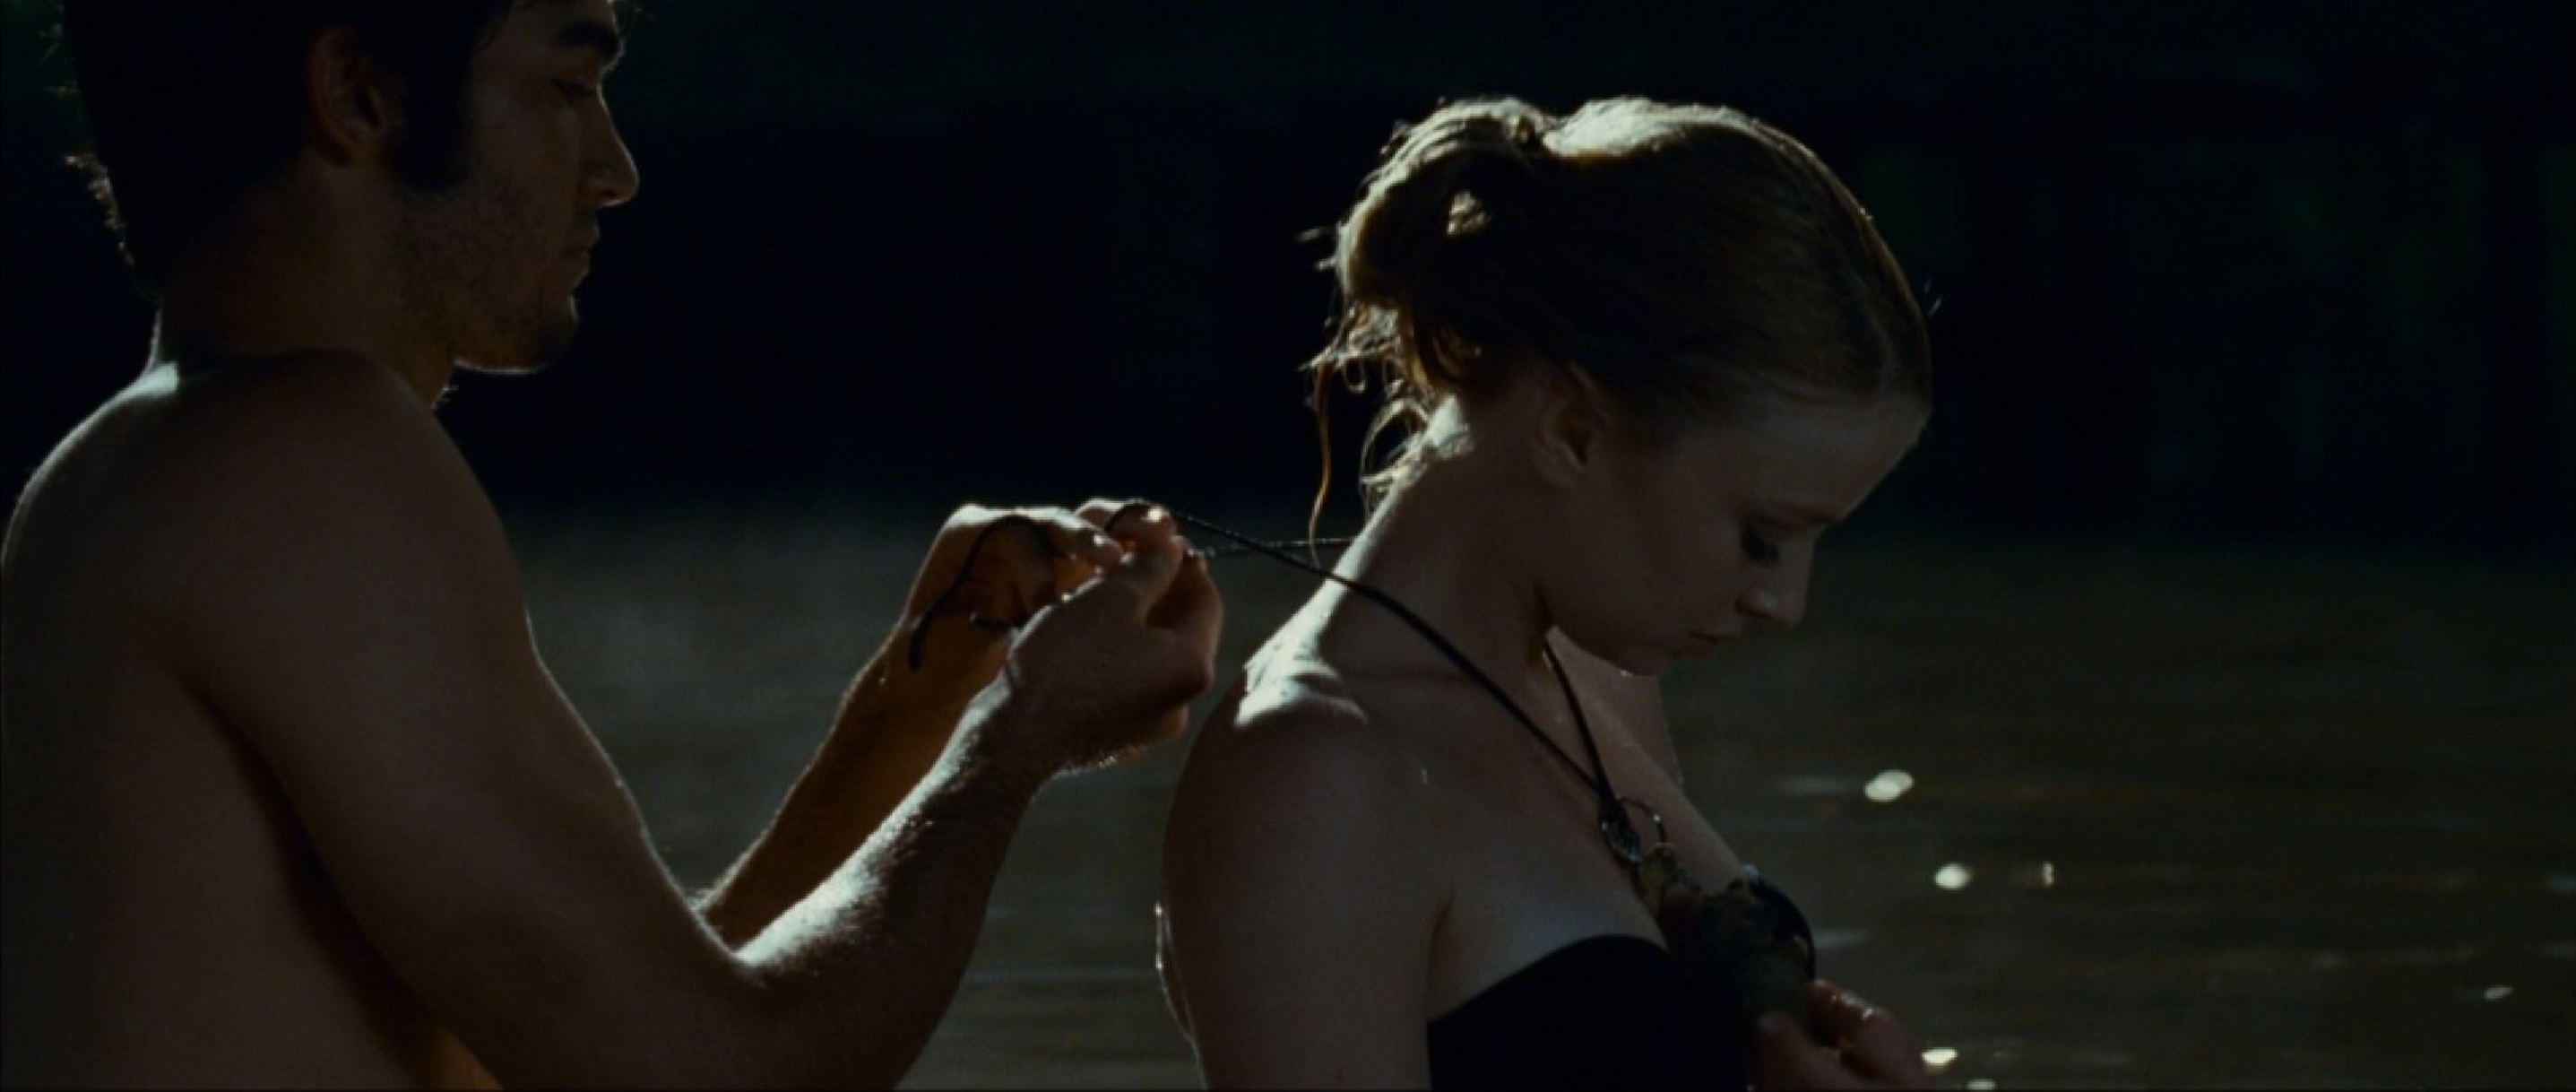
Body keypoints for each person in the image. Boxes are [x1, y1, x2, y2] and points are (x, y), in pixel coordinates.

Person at [0, 1, 1220, 1086]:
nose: (616, 169)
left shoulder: (144, 476)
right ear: (359, 95)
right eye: (566, 85)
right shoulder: (297, 461)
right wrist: (1018, 736)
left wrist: (921, 703)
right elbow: (720, 1070)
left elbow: (623, 1035)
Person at [1155, 97, 1938, 1088]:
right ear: (1571, 430)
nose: (1784, 604)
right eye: (1761, 536)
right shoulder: (1312, 778)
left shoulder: (1589, 677)